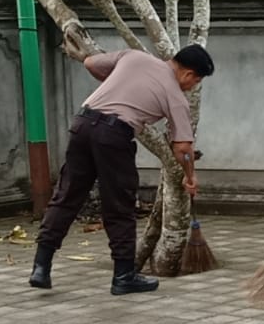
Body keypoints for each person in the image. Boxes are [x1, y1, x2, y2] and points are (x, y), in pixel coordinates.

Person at [30, 44, 211, 295]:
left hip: (82, 124)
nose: (192, 87)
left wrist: (119, 82)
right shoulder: (176, 97)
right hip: (113, 135)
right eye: (196, 82)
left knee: (67, 195)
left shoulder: (134, 57)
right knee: (120, 203)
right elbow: (183, 147)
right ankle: (124, 275)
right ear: (189, 74)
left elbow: (90, 63)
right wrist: (190, 177)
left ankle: (41, 266)